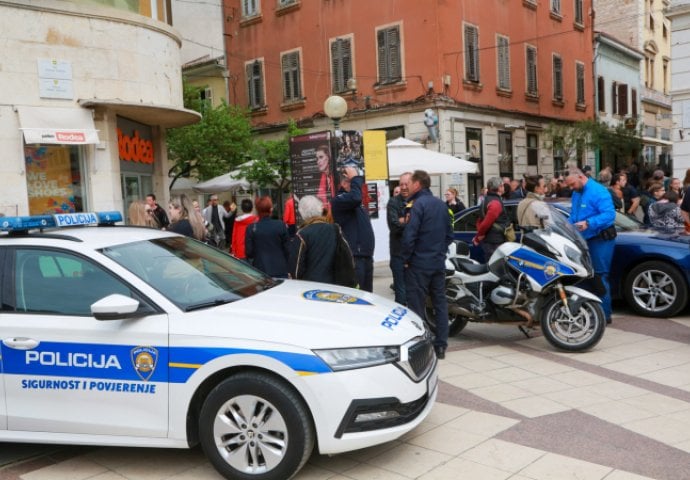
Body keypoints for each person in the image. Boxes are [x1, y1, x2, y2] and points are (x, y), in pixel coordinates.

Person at [401, 170, 453, 359]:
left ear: (417, 184)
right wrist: (439, 252)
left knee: (416, 306)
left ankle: (420, 346)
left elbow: (409, 236)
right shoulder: (441, 205)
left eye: (411, 183)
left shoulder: (417, 205)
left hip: (418, 264)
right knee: (439, 303)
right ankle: (441, 346)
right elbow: (449, 234)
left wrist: (406, 259)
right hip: (437, 263)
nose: (408, 186)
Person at [565, 168, 616, 324]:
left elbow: (609, 215)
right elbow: (573, 215)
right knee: (584, 275)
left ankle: (605, 315)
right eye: (569, 186)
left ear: (581, 177)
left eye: (572, 184)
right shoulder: (577, 192)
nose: (571, 188)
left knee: (599, 276)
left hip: (601, 239)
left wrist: (589, 223)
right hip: (584, 239)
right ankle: (589, 310)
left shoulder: (598, 191)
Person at [331, 166, 376, 292]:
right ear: (344, 183)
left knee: (369, 297)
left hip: (366, 256)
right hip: (355, 258)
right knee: (358, 296)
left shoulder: (356, 202)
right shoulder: (339, 200)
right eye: (353, 182)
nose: (358, 186)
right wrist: (355, 177)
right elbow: (355, 197)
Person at [289, 195, 344, 283]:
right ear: (320, 209)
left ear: (302, 212)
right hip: (335, 284)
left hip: (312, 286)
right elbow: (345, 256)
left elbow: (296, 269)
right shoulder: (335, 229)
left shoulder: (302, 234)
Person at [245, 196, 290, 277]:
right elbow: (288, 249)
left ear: (257, 210)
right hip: (280, 268)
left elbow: (249, 252)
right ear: (271, 209)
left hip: (260, 269)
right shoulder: (280, 225)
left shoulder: (251, 228)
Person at [387, 173, 411, 305]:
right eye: (401, 184)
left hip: (415, 254)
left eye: (406, 184)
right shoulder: (393, 202)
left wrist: (404, 221)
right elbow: (394, 226)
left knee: (415, 292)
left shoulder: (417, 200)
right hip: (399, 254)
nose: (403, 187)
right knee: (401, 293)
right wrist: (410, 222)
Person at [473, 177, 510, 261]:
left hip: (491, 240)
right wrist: (478, 237)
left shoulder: (486, 199)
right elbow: (486, 223)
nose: (504, 188)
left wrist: (479, 234)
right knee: (496, 268)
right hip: (494, 241)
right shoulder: (495, 203)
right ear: (500, 187)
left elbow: (480, 220)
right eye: (503, 186)